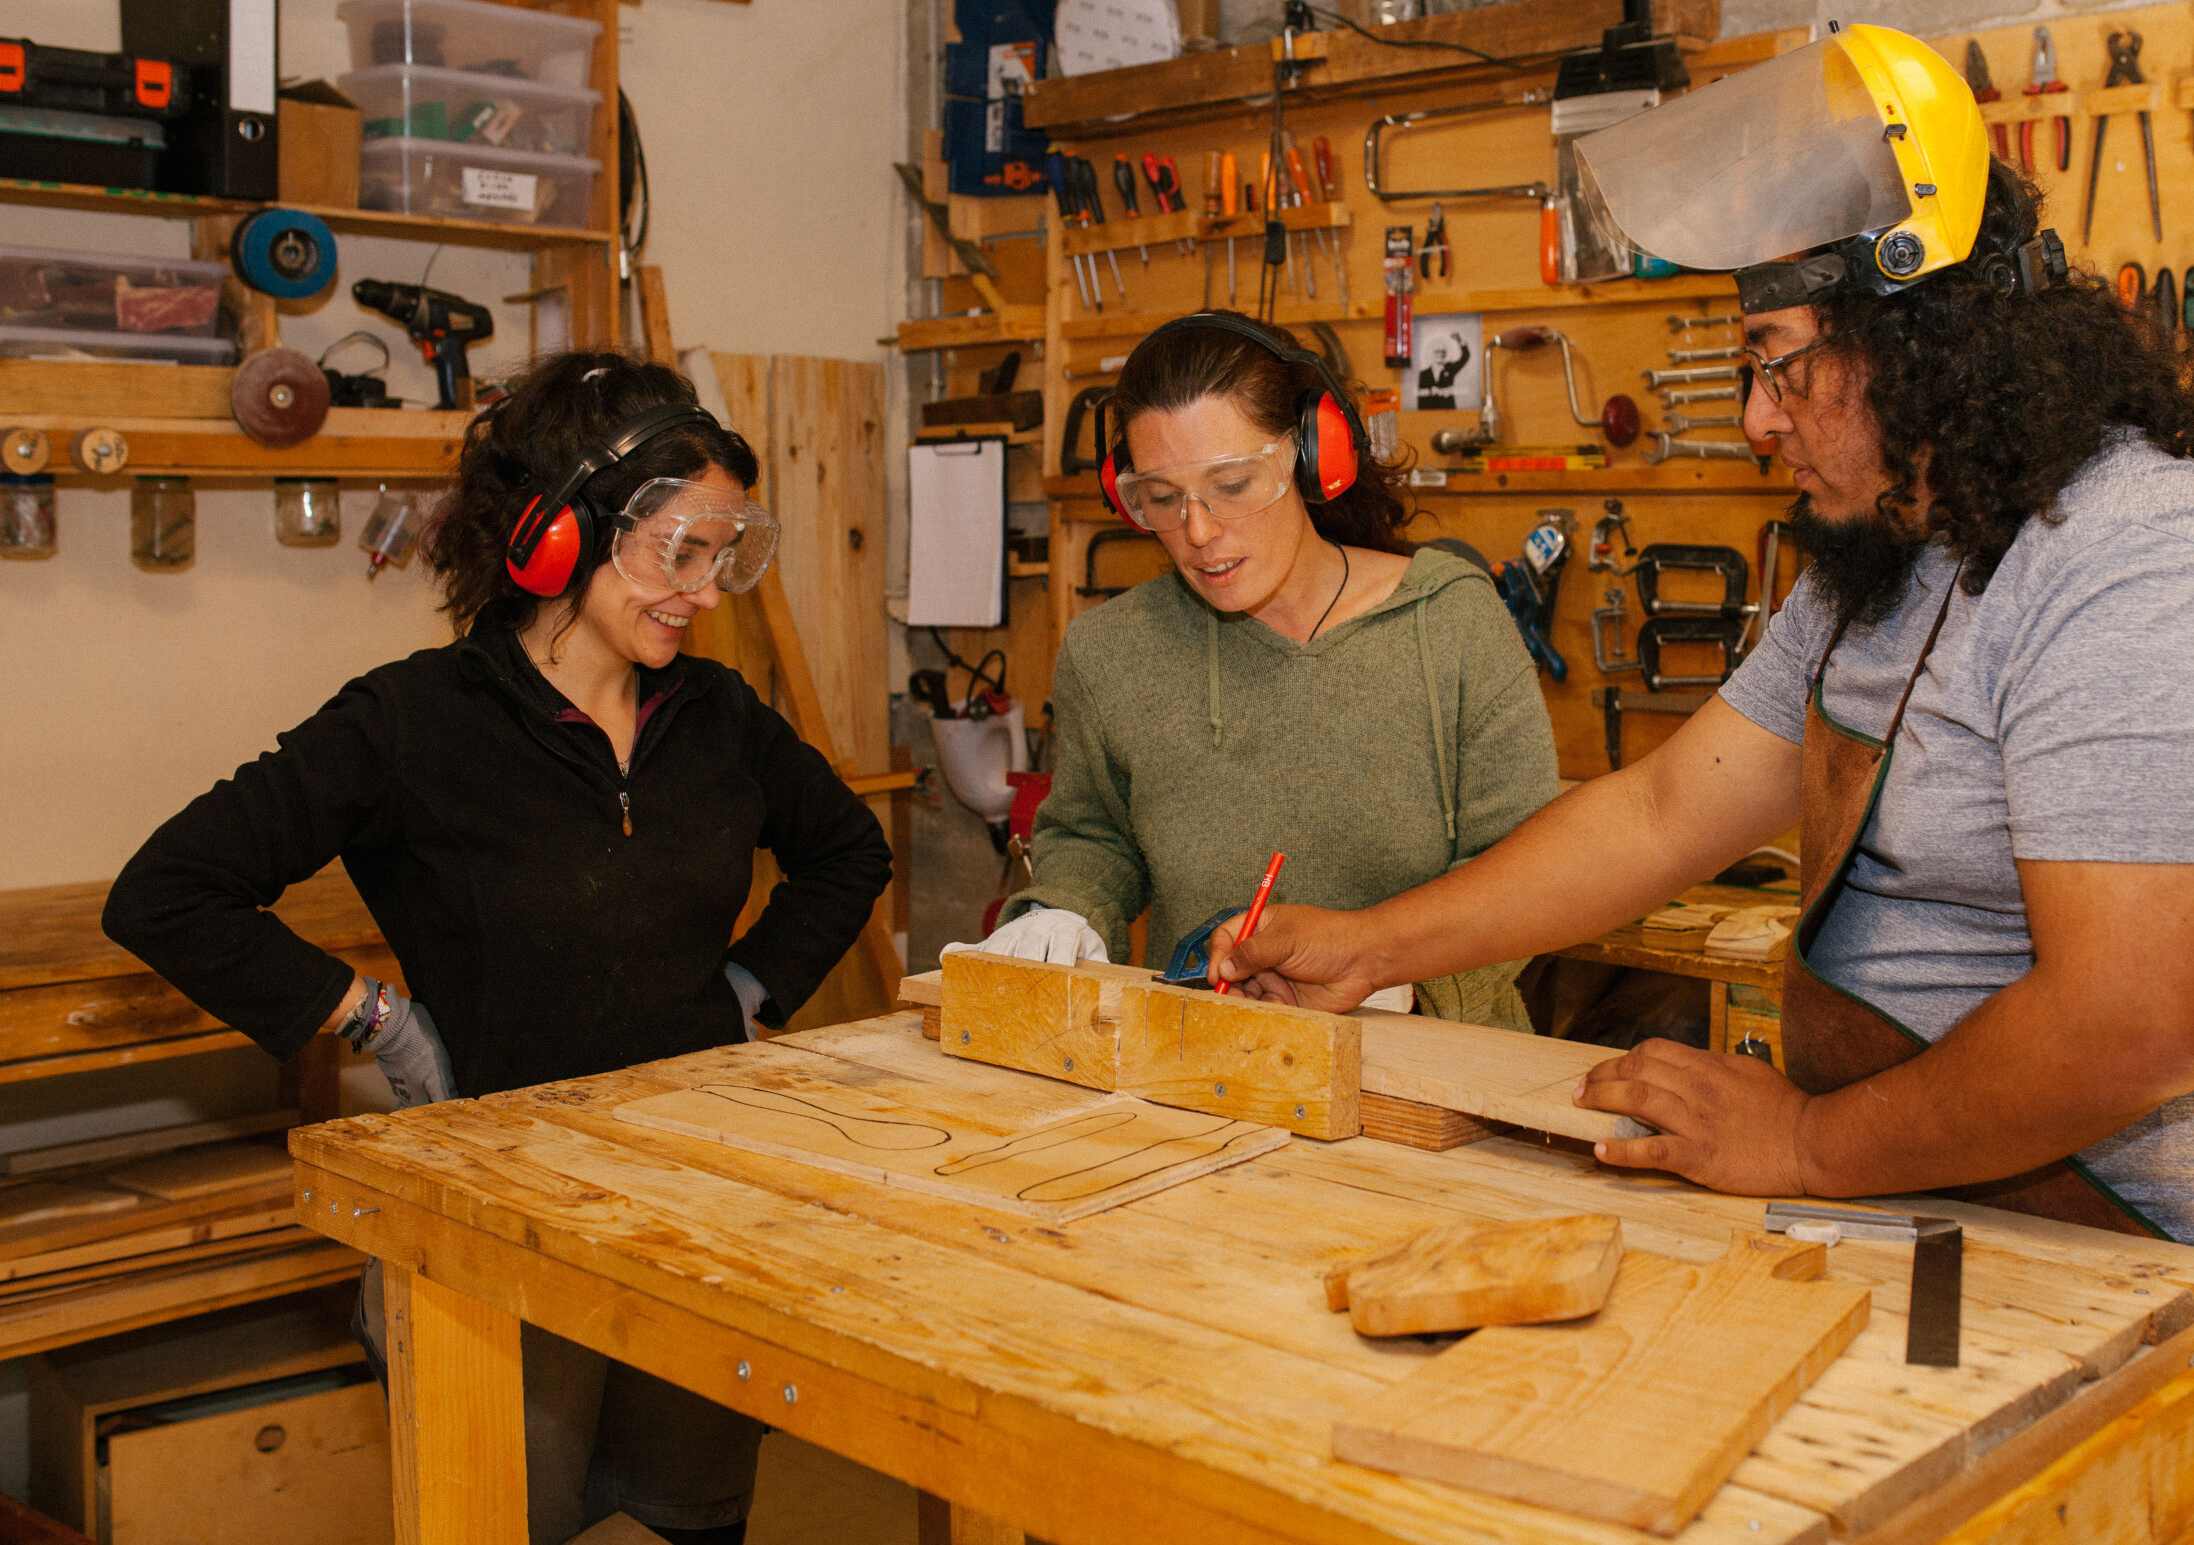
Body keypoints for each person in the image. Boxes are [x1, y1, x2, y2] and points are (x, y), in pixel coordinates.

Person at [1212, 27, 2194, 1340]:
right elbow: (1665, 810)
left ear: (1917, 335)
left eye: (1780, 360)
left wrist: (1811, 1143)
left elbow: (2135, 1026)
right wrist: (1372, 943)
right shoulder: (1896, 545)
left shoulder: (2141, 563)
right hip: (1959, 1224)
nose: (1762, 416)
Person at [103, 352, 894, 1544]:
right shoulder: (413, 722)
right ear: (558, 537)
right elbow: (168, 891)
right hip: (493, 1218)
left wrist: (749, 987)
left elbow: (847, 850)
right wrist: (382, 1021)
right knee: (500, 1511)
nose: (704, 588)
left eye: (722, 553)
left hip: (695, 1209)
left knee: (693, 1515)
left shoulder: (718, 716)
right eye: (676, 548)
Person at [954, 312, 1558, 1028]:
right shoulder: (1111, 652)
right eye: (1163, 497)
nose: (1199, 531)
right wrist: (1066, 911)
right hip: (1209, 1068)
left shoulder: (1450, 624)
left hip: (1439, 1076)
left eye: (1233, 484)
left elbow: (1534, 877)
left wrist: (1394, 976)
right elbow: (1096, 838)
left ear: (1311, 456)